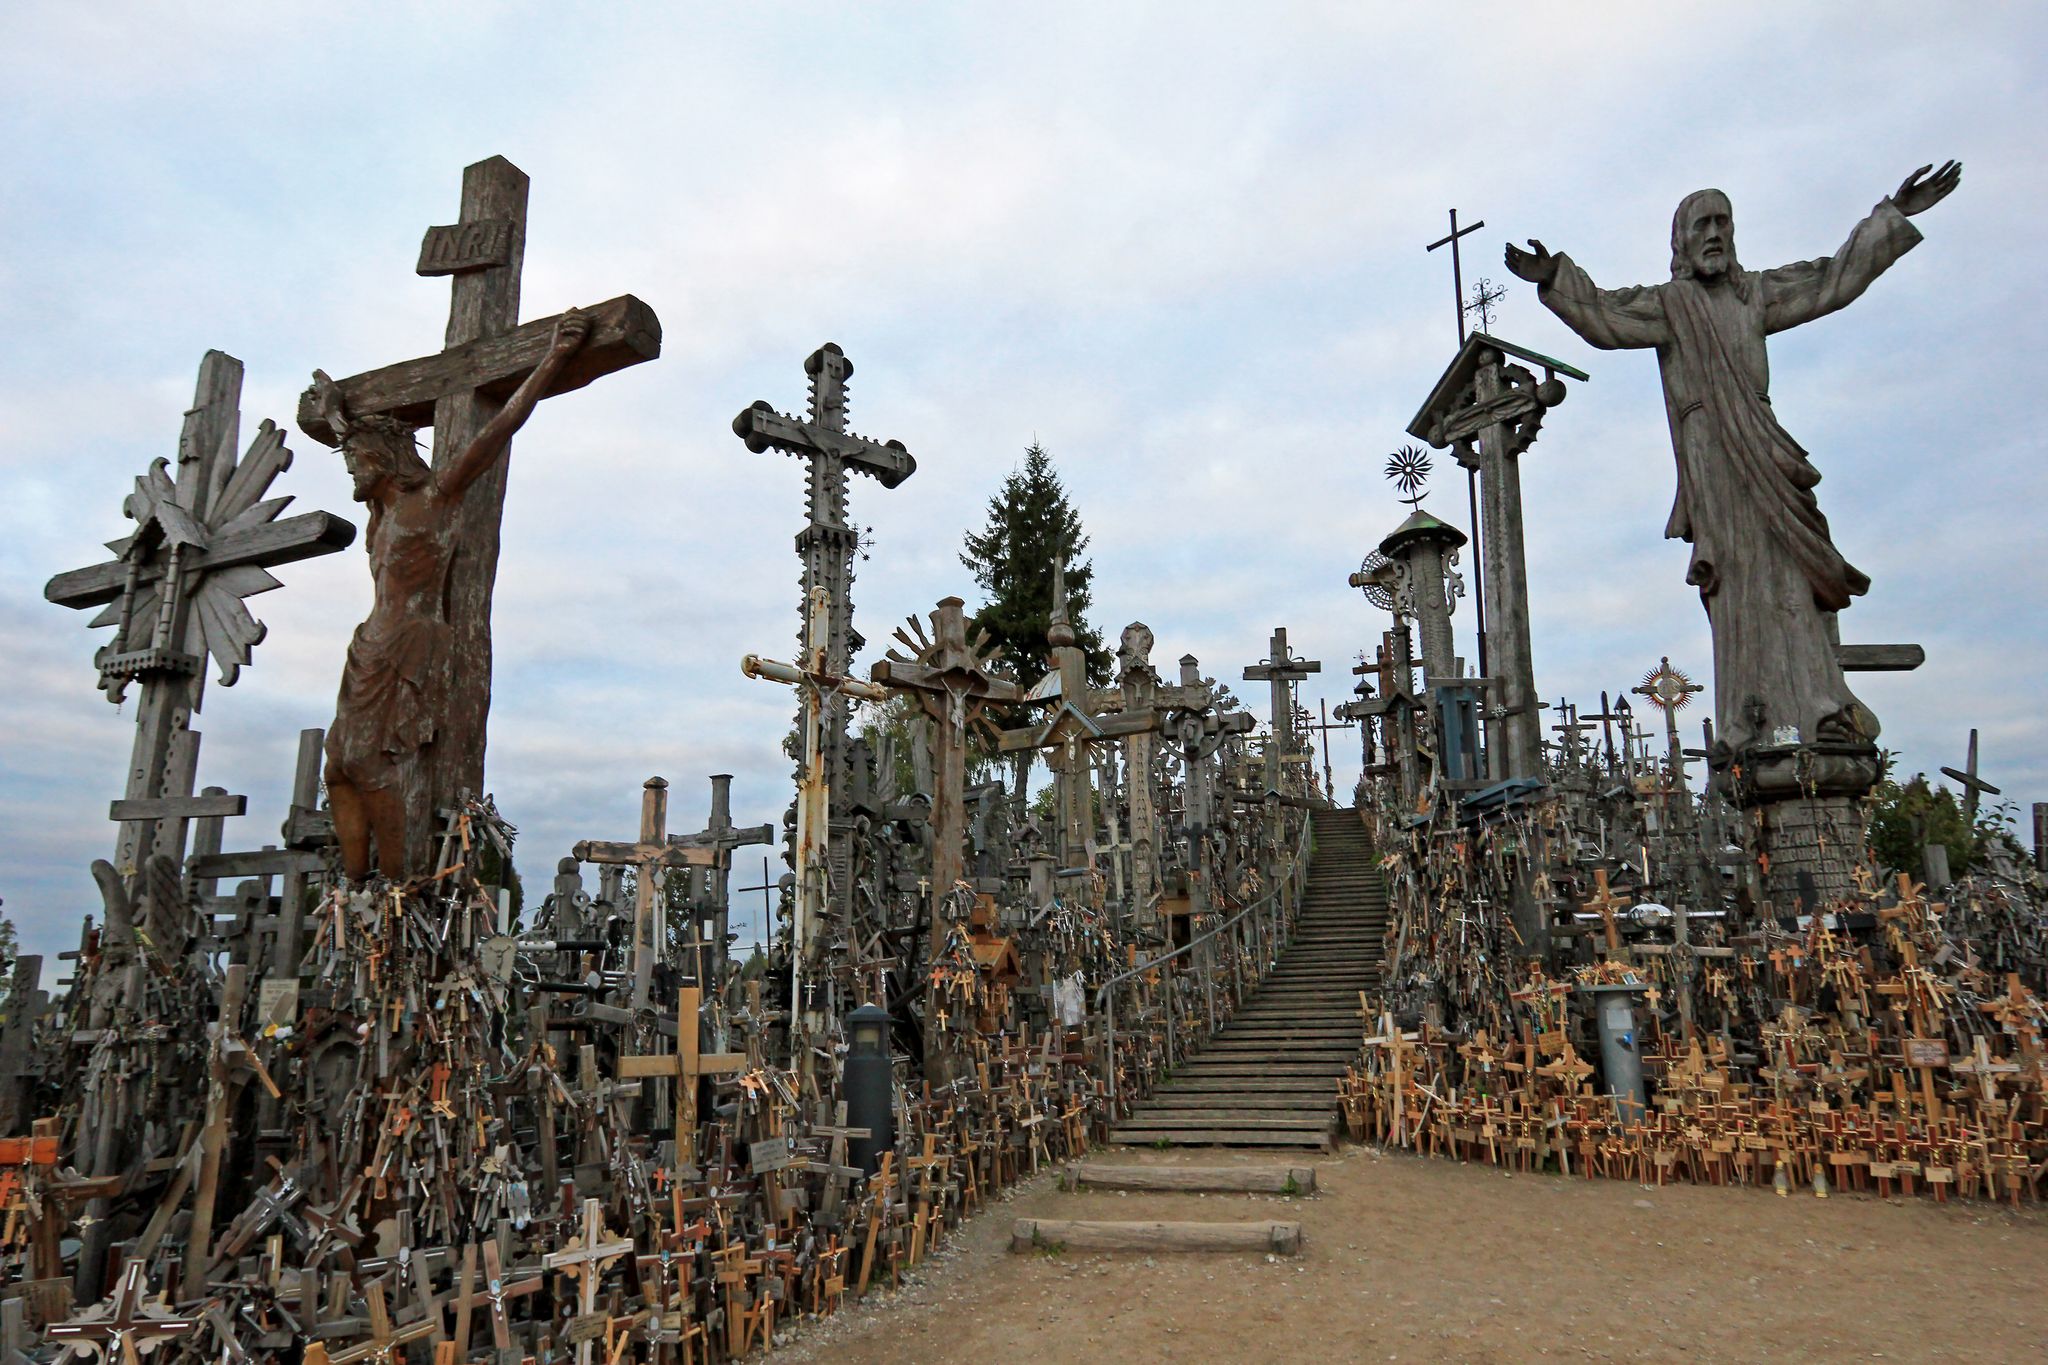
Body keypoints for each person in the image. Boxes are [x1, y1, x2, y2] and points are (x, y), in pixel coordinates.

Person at [1505, 163, 1959, 755]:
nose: (1715, 234)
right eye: (1702, 225)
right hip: (1714, 457)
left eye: (1724, 222)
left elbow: (1832, 280)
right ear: (1682, 243)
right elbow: (1606, 320)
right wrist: (1557, 278)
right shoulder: (1671, 305)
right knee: (1740, 577)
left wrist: (1891, 218)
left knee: (1792, 573)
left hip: (1765, 450)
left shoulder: (1757, 293)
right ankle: (1753, 711)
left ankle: (1815, 702)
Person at [314, 308, 591, 881]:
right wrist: (334, 412)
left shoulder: (434, 500)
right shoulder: (381, 511)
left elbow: (499, 428)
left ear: (386, 459)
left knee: (370, 763)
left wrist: (552, 359)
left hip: (411, 640)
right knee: (338, 763)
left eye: (357, 461)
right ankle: (358, 887)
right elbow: (349, 433)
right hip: (370, 640)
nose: (351, 473)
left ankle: (400, 886)